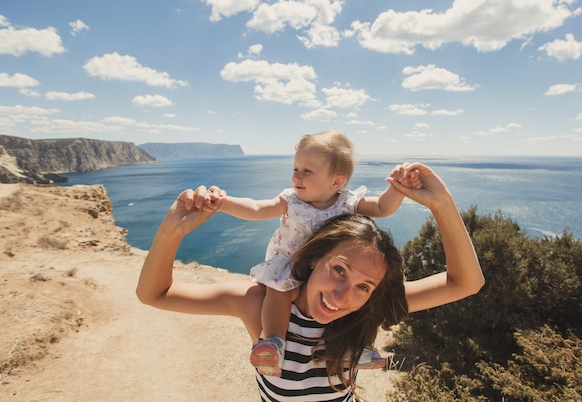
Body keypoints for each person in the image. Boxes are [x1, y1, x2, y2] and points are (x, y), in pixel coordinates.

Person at [136, 162, 485, 401]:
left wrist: (441, 204)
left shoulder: (366, 309)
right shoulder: (259, 303)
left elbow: (465, 282)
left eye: (364, 286)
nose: (343, 296)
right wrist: (171, 230)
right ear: (314, 258)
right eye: (340, 270)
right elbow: (155, 294)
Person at [214, 130, 410, 376]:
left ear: (336, 182)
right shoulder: (291, 200)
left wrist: (399, 188)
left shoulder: (348, 202)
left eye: (307, 171)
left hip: (325, 269)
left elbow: (382, 207)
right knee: (279, 291)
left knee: (354, 299)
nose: (296, 176)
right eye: (295, 168)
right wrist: (223, 202)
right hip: (292, 263)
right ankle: (273, 344)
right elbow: (256, 209)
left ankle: (356, 349)